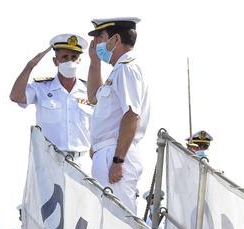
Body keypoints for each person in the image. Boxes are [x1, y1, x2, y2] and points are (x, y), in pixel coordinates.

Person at [87, 17, 151, 213]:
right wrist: (94, 62)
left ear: (115, 39)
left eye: (100, 37)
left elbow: (131, 115)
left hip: (116, 154)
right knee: (106, 219)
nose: (96, 43)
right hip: (107, 152)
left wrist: (118, 160)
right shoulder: (118, 71)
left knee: (119, 220)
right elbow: (93, 97)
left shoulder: (127, 69)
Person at [10, 33, 92, 168]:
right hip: (50, 161)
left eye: (74, 57)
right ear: (55, 61)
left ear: (79, 60)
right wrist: (29, 66)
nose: (70, 61)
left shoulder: (89, 91)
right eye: (64, 57)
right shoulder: (41, 88)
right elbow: (16, 97)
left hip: (81, 162)